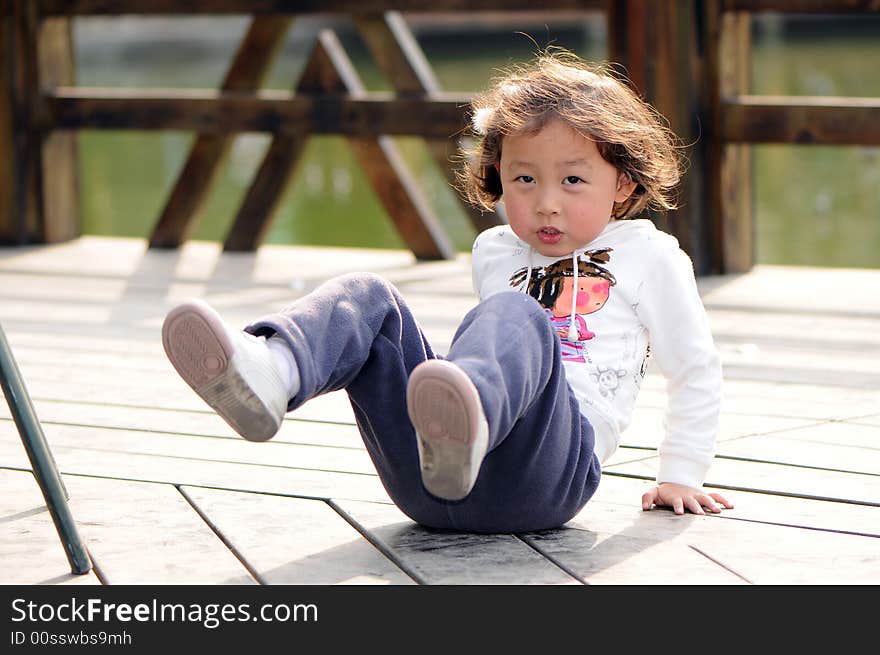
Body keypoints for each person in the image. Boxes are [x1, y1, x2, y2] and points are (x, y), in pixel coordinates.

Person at [161, 50, 732, 534]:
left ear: (624, 182)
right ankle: (274, 372)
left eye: (573, 180)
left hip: (545, 478)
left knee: (516, 315)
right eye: (524, 179)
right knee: (369, 296)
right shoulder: (496, 250)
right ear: (499, 177)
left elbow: (694, 367)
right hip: (431, 485)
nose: (546, 201)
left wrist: (680, 472)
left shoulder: (648, 255)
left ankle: (471, 422)